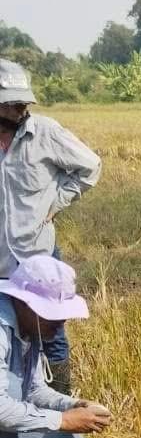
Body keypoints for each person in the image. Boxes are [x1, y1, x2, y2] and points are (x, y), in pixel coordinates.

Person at [0, 60, 102, 396]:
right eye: (11, 105)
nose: (20, 111)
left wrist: (56, 202)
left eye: (22, 104)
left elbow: (90, 166)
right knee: (6, 332)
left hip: (36, 255)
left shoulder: (45, 133)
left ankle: (59, 403)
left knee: (50, 334)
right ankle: (14, 399)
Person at [0, 256, 112, 438]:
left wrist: (74, 404)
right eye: (52, 314)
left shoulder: (30, 327)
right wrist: (62, 419)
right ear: (25, 304)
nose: (60, 323)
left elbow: (35, 388)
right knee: (10, 403)